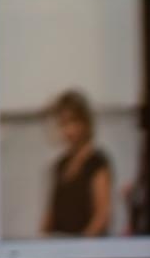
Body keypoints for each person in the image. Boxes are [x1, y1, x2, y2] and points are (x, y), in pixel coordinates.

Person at [41, 89, 112, 236]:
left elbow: (102, 215)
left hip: (87, 251)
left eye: (73, 122)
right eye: (63, 124)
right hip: (60, 247)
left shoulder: (97, 162)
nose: (68, 130)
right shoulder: (60, 165)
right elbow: (51, 213)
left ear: (85, 122)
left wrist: (82, 247)